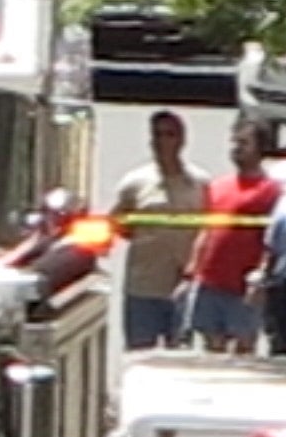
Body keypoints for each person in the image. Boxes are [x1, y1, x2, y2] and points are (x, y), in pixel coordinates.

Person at [108, 106, 199, 350]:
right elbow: (117, 223)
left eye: (169, 135)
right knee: (139, 355)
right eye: (156, 135)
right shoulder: (135, 183)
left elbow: (208, 230)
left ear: (181, 140)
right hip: (143, 285)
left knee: (180, 355)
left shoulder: (200, 183)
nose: (162, 142)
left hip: (181, 286)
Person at [183, 113, 275, 348]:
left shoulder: (271, 191)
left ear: (260, 148)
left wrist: (261, 278)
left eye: (244, 143)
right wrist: (193, 270)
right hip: (211, 281)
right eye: (234, 142)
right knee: (211, 346)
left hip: (243, 286)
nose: (236, 148)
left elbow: (271, 241)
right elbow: (207, 229)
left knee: (244, 348)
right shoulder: (218, 186)